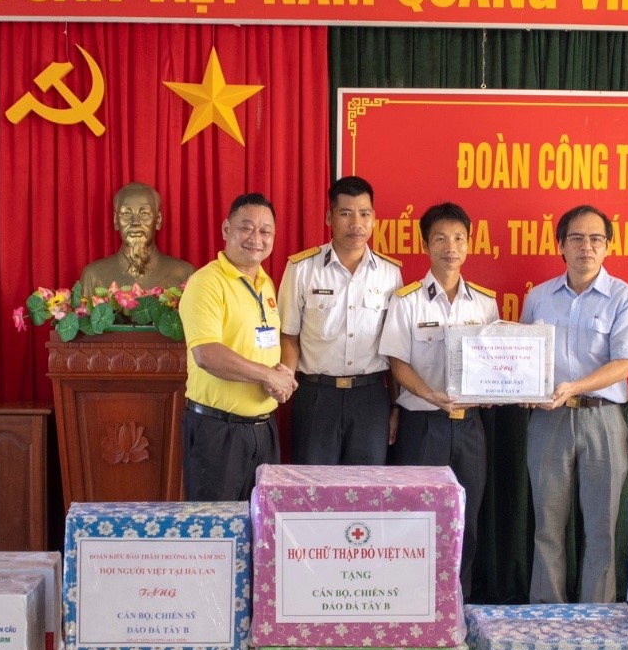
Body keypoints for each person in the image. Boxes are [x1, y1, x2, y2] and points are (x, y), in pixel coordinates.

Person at [520, 205, 628, 603]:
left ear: (608, 247)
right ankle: (547, 613)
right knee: (547, 526)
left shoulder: (624, 298)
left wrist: (573, 386)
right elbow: (522, 358)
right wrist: (521, 388)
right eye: (576, 238)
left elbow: (623, 364)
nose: (586, 246)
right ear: (561, 245)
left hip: (602, 420)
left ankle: (598, 615)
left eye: (596, 239)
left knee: (602, 527)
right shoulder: (538, 298)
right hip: (548, 421)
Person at [378, 202, 499, 600]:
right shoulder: (407, 300)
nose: (451, 247)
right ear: (426, 243)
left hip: (469, 427)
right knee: (416, 518)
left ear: (470, 243)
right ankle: (411, 602)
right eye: (441, 238)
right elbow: (397, 365)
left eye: (459, 238)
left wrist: (500, 389)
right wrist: (430, 395)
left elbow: (497, 364)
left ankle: (457, 603)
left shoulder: (484, 303)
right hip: (422, 425)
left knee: (468, 518)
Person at [177, 193, 296, 503]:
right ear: (226, 229)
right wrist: (268, 377)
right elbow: (208, 355)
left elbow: (262, 341)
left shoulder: (265, 283)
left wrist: (281, 372)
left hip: (263, 430)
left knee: (261, 528)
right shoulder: (206, 283)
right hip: (219, 431)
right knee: (215, 533)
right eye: (246, 227)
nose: (256, 238)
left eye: (265, 231)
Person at [277, 176, 403, 465]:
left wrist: (395, 405)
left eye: (364, 214)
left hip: (371, 397)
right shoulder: (301, 268)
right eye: (345, 213)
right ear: (329, 217)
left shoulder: (390, 274)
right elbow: (289, 337)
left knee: (367, 491)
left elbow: (394, 347)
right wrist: (286, 385)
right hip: (316, 395)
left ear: (374, 219)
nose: (356, 223)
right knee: (312, 489)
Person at [77, 182, 195, 298]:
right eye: (126, 214)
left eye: (144, 213)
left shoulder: (185, 274)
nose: (135, 222)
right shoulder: (93, 276)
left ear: (158, 220)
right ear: (115, 221)